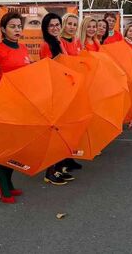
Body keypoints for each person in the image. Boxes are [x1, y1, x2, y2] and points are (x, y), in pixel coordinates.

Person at [0, 12, 31, 203]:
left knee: (16, 147)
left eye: (19, 26)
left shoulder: (23, 48)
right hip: (2, 105)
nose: (17, 29)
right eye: (12, 26)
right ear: (3, 29)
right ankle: (3, 185)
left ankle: (8, 183)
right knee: (0, 147)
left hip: (20, 105)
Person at [39, 13, 78, 185]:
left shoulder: (59, 42)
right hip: (54, 92)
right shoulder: (46, 45)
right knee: (54, 133)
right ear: (46, 28)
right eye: (51, 25)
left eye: (57, 24)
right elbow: (48, 69)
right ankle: (49, 172)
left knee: (63, 132)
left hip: (64, 90)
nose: (55, 28)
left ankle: (58, 167)